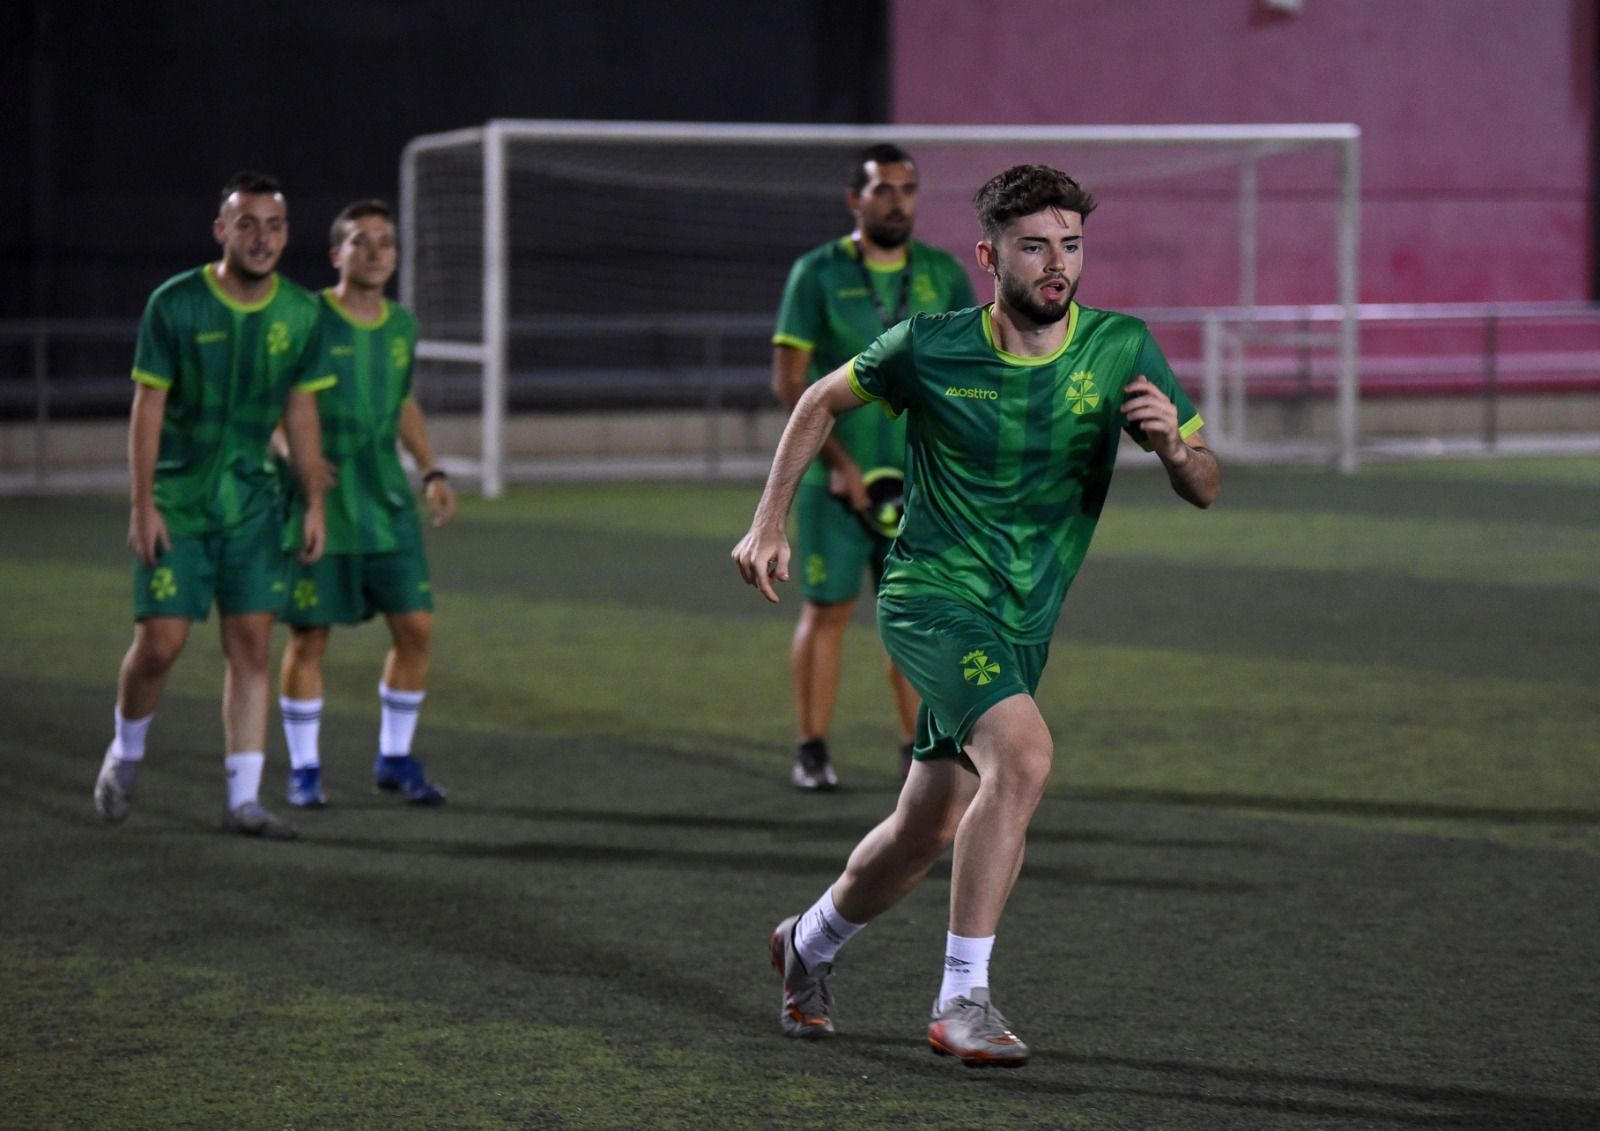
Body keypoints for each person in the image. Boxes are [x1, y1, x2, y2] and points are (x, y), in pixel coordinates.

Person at [733, 165, 1220, 1067]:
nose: (1058, 264)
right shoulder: (928, 345)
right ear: (991, 256)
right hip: (929, 597)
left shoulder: (1122, 348)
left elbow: (1206, 480)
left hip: (1023, 624)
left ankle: (805, 943)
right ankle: (963, 997)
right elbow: (816, 399)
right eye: (1036, 246)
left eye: (1071, 245)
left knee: (927, 827)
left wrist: (1171, 450)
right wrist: (769, 519)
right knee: (1026, 756)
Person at [93, 171, 333, 840]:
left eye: (275, 225)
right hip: (178, 498)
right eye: (248, 223)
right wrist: (142, 506)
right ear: (221, 230)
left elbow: (301, 409)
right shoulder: (174, 303)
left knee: (251, 642)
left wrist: (313, 501)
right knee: (161, 644)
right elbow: (147, 408)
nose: (263, 238)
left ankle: (243, 800)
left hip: (254, 502)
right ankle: (126, 752)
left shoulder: (301, 313)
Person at [770, 143, 976, 790]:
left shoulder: (943, 273)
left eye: (908, 189)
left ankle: (917, 752)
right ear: (853, 199)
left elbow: (975, 370)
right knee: (827, 610)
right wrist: (836, 460)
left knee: (916, 615)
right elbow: (790, 382)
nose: (897, 201)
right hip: (838, 485)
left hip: (922, 486)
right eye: (883, 189)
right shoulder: (817, 273)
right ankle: (811, 749)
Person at [276, 200, 457, 809]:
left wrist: (429, 468)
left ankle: (395, 757)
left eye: (385, 242)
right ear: (337, 255)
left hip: (385, 500)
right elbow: (275, 397)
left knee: (416, 628)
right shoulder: (306, 317)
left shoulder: (403, 325)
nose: (376, 251)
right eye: (361, 241)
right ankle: (304, 769)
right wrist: (293, 458)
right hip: (321, 500)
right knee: (309, 638)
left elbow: (404, 403)